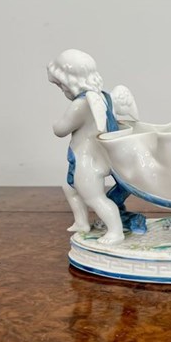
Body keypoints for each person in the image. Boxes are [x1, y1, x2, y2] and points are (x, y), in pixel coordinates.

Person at [47, 49, 125, 244]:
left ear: (69, 82)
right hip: (89, 155)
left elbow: (61, 129)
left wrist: (54, 124)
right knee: (70, 188)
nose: (62, 90)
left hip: (88, 159)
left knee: (94, 197)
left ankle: (116, 231)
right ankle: (81, 223)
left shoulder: (81, 104)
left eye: (61, 85)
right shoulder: (104, 96)